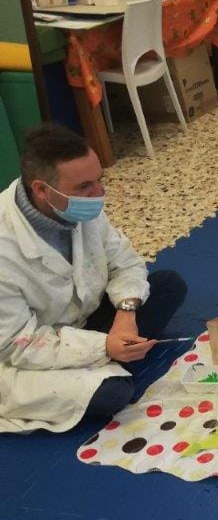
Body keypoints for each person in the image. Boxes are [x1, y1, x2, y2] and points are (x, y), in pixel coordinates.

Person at [0, 124, 187, 433]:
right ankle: (109, 364)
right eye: (85, 186)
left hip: (82, 321)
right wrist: (104, 347)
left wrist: (125, 314)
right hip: (25, 351)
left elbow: (125, 262)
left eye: (99, 179)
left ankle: (112, 357)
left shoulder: (78, 207)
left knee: (169, 285)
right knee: (113, 393)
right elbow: (18, 343)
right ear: (42, 190)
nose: (99, 193)